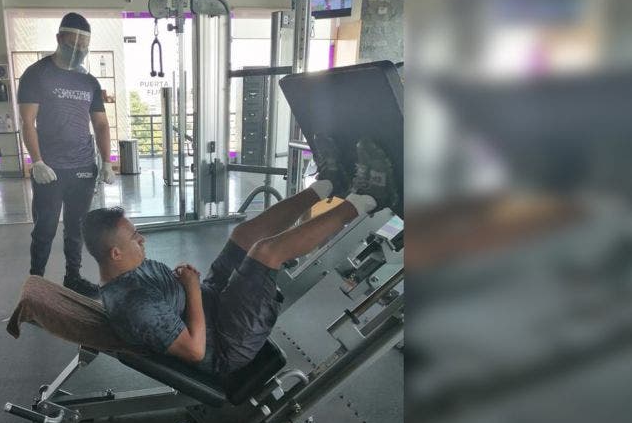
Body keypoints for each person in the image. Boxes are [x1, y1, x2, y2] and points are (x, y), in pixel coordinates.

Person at [83, 139, 399, 376]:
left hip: (211, 300)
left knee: (243, 235)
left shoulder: (126, 269)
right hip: (227, 341)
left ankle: (329, 184)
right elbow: (195, 351)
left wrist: (190, 285)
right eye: (134, 237)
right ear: (115, 253)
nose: (142, 239)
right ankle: (370, 198)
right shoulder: (135, 305)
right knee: (265, 252)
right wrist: (191, 287)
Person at [18, 12, 114, 298]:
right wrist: (37, 161)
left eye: (84, 46)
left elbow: (101, 124)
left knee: (77, 228)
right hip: (50, 168)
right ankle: (35, 284)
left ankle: (73, 277)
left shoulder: (89, 81)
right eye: (73, 45)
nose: (79, 51)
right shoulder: (36, 74)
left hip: (83, 167)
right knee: (45, 228)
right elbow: (27, 122)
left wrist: (106, 161)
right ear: (59, 39)